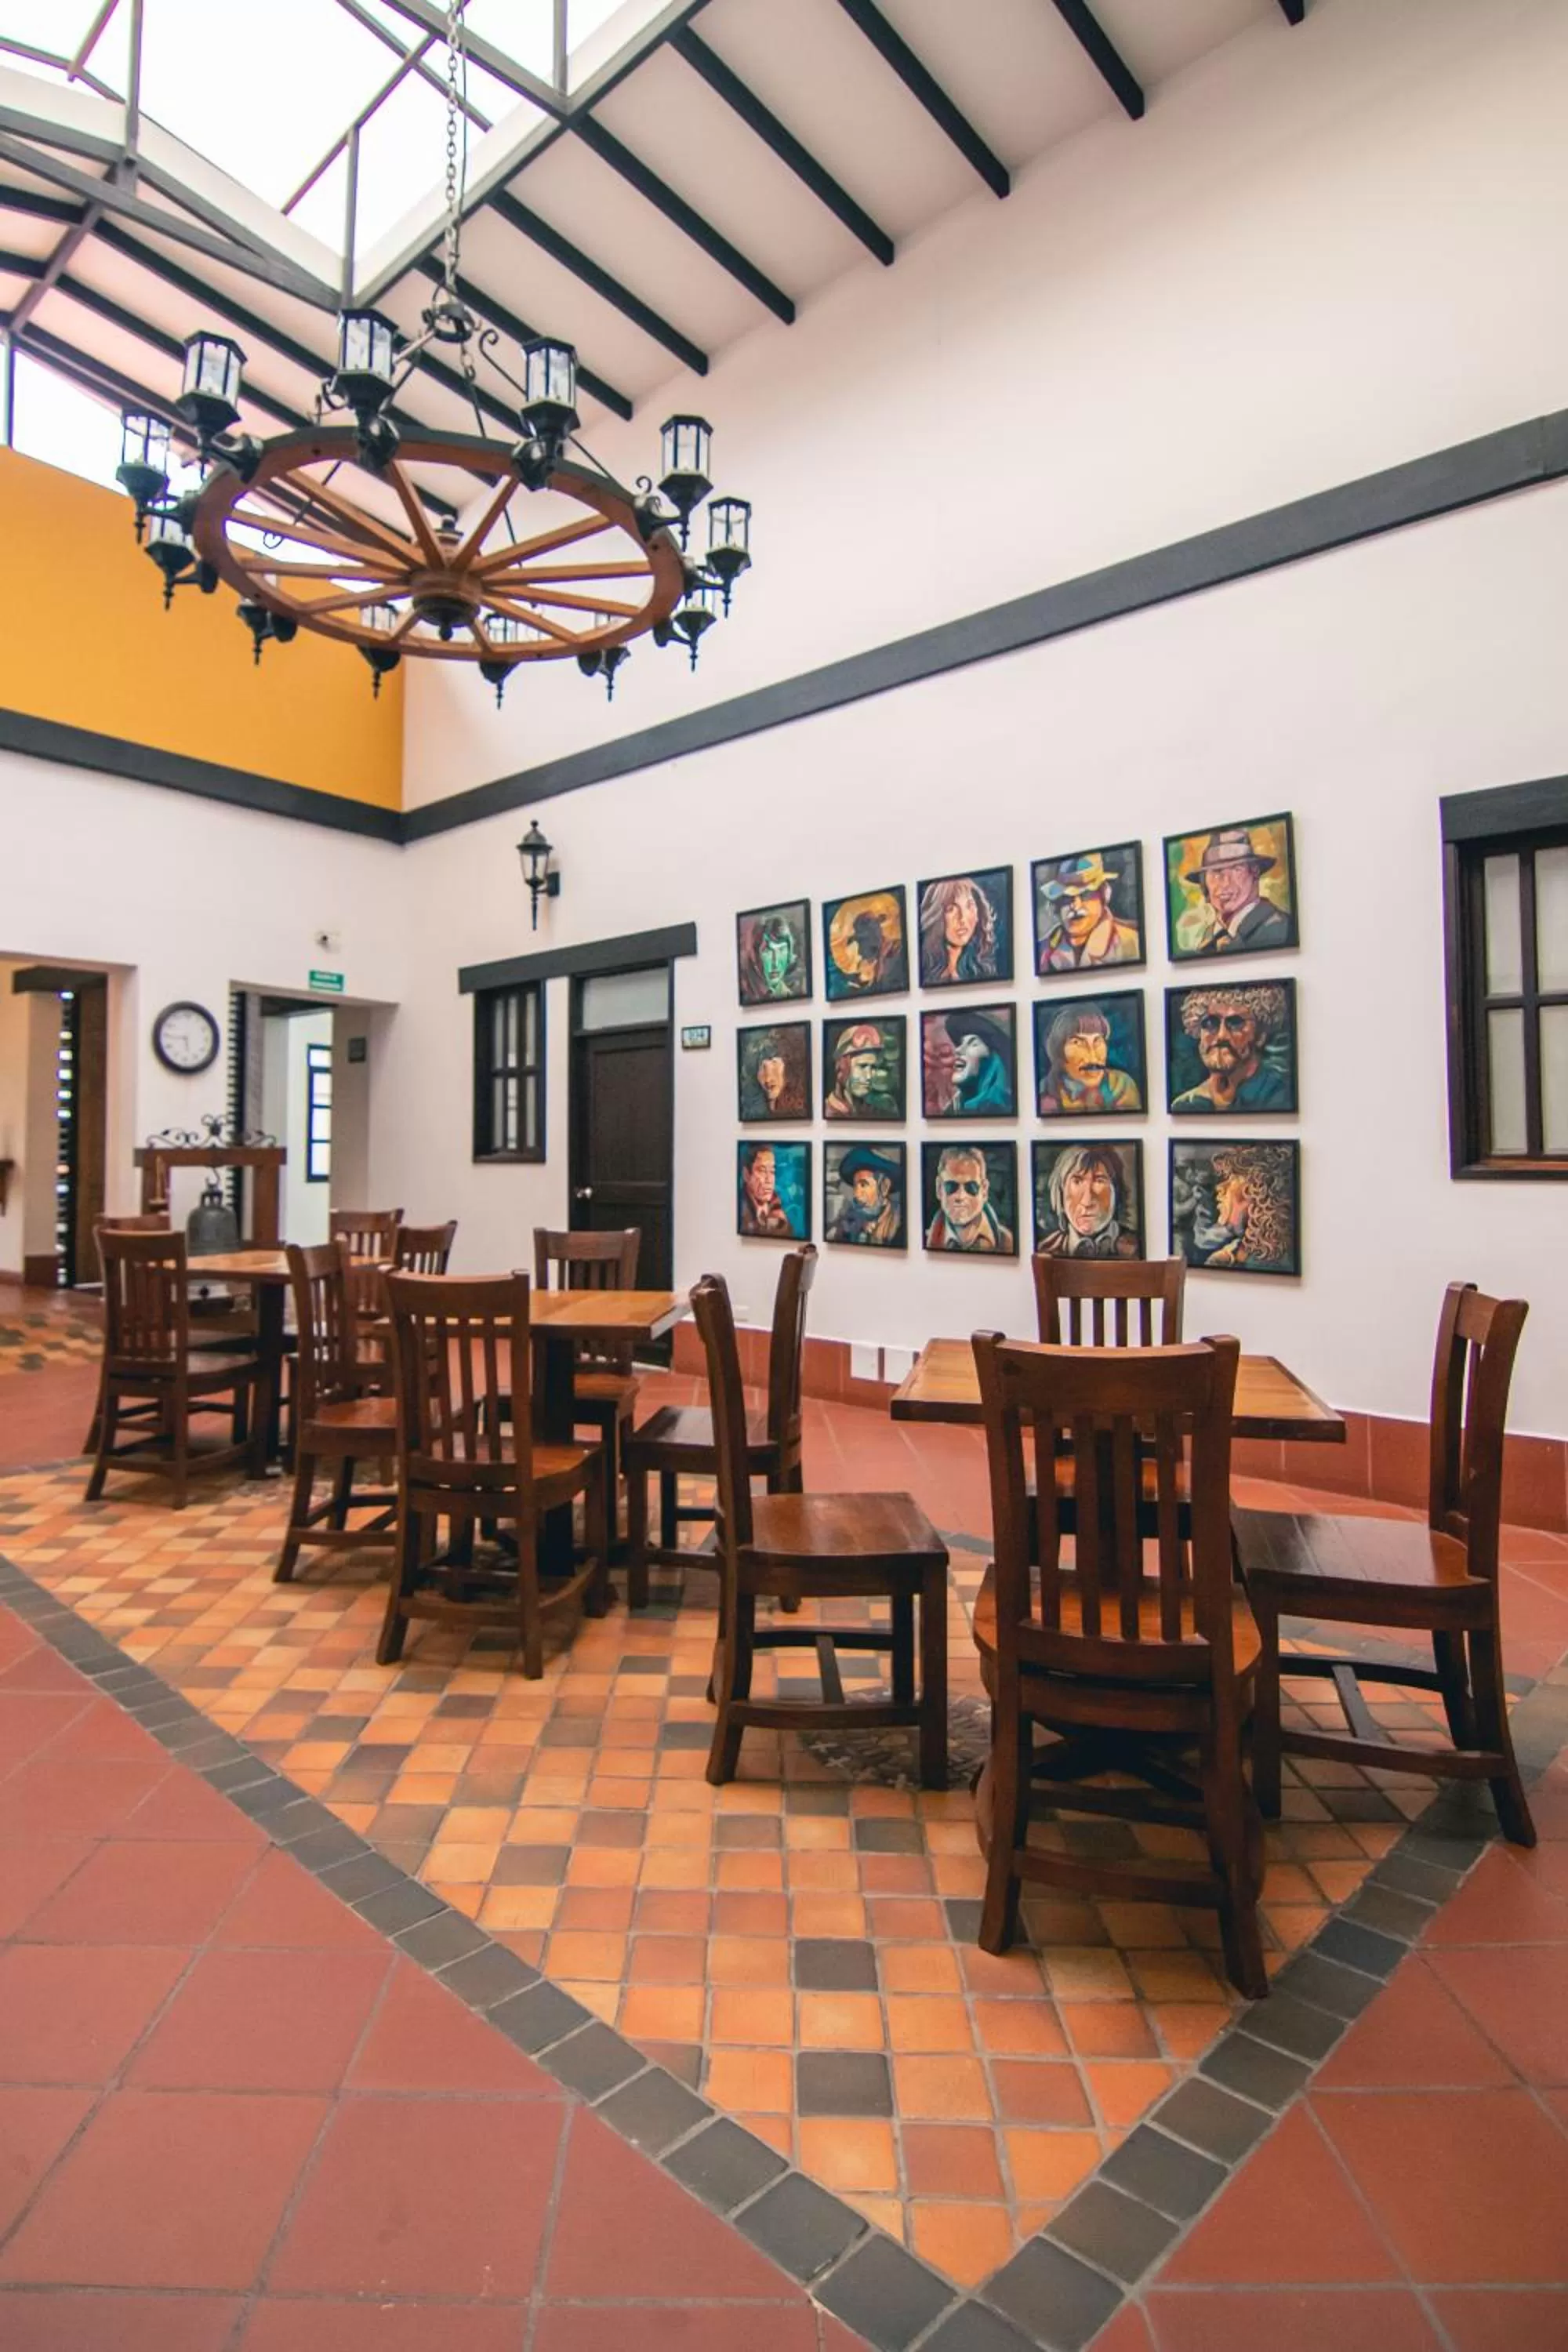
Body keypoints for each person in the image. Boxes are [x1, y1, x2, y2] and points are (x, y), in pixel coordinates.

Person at [1171, 985, 1292, 1112]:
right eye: (1210, 1023)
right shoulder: (1186, 1104)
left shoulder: (1279, 1096)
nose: (1221, 1035)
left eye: (1235, 1023)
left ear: (1260, 1036)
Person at [1180, 828, 1291, 955]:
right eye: (1216, 872)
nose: (1225, 883)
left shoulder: (1279, 927)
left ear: (1255, 871)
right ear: (1204, 881)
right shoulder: (1208, 938)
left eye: (1236, 869)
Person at [1036, 852, 1141, 972]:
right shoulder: (1043, 949)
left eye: (1086, 895)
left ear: (1104, 894)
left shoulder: (1131, 943)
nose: (1075, 906)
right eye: (1066, 898)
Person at [1037, 1004, 1142, 1114]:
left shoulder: (1121, 1084)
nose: (1093, 1056)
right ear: (1058, 1051)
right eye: (1077, 1043)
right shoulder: (1044, 1092)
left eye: (1097, 1041)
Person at [1038, 1145, 1139, 1258]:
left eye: (1099, 1181)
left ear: (1116, 1191)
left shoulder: (1136, 1248)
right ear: (1061, 1192)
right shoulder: (1046, 1251)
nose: (1087, 1202)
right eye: (1077, 1182)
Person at [926, 1145, 1013, 1252]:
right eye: (951, 1186)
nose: (961, 1196)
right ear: (939, 1189)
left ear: (984, 1190)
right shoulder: (924, 1240)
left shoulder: (1007, 1243)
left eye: (971, 1187)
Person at [919, 874, 1001, 985]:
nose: (962, 918)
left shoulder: (983, 971)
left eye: (969, 906)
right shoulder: (926, 971)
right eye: (951, 909)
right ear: (936, 917)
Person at [829, 1146, 902, 1245]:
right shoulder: (849, 1219)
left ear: (884, 1187)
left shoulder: (900, 1221)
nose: (856, 1194)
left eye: (863, 1185)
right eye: (855, 1186)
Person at [825, 1022, 900, 1117]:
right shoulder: (829, 1110)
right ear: (843, 1067)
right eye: (862, 1066)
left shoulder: (882, 1110)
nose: (869, 1076)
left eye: (873, 1067)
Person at [946, 1010, 1014, 1115]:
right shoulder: (951, 1111)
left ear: (995, 1060)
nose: (958, 1050)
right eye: (960, 1044)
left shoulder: (1002, 1108)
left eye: (974, 1044)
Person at [741, 1025, 807, 1118]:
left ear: (790, 1068)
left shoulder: (801, 1107)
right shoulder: (755, 1111)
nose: (768, 1079)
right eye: (763, 1069)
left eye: (775, 1067)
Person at [739, 911, 805, 1001]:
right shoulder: (746, 991)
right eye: (768, 952)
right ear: (755, 955)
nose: (775, 963)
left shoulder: (786, 993)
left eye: (781, 951)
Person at [739, 1143, 793, 1236]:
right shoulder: (740, 1209)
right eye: (762, 1171)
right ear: (746, 1175)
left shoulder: (778, 1208)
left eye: (772, 1171)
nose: (769, 1179)